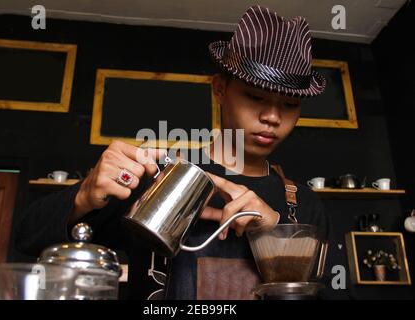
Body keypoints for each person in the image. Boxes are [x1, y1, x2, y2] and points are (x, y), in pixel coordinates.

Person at [16, 5, 329, 300]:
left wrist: (272, 237)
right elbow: (28, 237)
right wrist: (83, 195)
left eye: (290, 105)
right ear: (219, 89)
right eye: (256, 97)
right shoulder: (159, 177)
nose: (273, 118)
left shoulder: (304, 206)